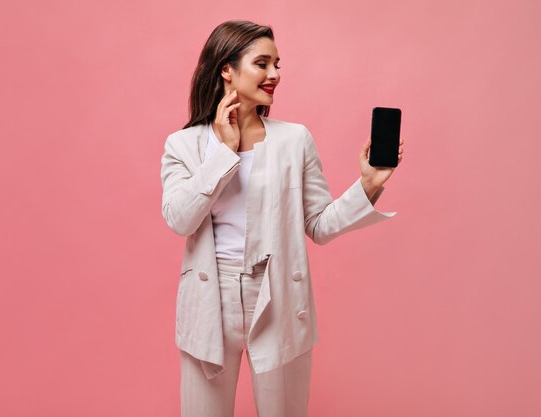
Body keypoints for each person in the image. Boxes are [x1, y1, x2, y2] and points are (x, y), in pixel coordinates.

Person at [160, 19, 404, 417]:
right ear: (227, 69)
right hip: (209, 298)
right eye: (262, 63)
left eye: (277, 64)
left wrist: (369, 185)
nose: (275, 74)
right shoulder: (184, 145)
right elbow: (180, 219)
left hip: (277, 294)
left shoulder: (295, 140)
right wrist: (224, 150)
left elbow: (320, 225)